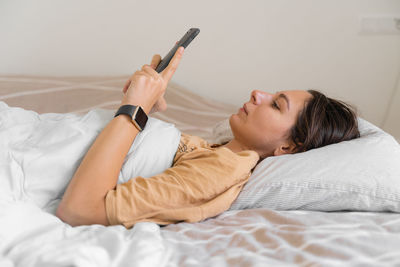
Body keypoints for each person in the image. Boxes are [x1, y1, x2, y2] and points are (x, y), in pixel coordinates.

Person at [56, 47, 360, 228]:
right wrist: (146, 112)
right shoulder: (217, 152)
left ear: (289, 146)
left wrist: (134, 111)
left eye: (276, 104)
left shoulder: (224, 169)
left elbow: (80, 210)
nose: (258, 93)